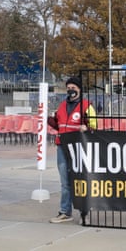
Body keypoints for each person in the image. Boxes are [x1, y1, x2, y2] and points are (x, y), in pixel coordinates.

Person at [47, 76, 97, 224]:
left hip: (79, 147)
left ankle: (84, 212)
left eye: (73, 87)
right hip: (62, 146)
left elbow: (95, 126)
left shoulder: (87, 105)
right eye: (68, 87)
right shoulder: (62, 105)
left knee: (81, 180)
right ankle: (65, 211)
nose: (70, 90)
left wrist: (86, 128)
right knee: (65, 182)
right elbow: (58, 124)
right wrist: (49, 119)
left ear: (80, 89)